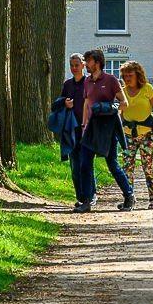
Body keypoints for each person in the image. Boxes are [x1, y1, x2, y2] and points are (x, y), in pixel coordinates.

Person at [72, 48, 134, 213]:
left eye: (88, 61)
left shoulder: (111, 80)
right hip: (91, 128)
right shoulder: (87, 81)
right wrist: (84, 125)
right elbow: (86, 104)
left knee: (112, 164)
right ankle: (87, 201)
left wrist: (108, 107)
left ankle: (129, 195)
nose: (86, 64)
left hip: (108, 128)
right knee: (85, 164)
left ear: (97, 62)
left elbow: (124, 103)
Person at [119, 60, 153, 209]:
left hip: (147, 134)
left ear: (138, 75)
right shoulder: (122, 92)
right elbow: (120, 113)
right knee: (127, 167)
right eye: (125, 76)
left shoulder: (147, 89)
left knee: (147, 166)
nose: (127, 78)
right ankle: (129, 199)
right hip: (128, 134)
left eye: (130, 75)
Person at [49, 54, 86, 204]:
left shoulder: (89, 83)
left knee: (86, 164)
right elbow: (55, 105)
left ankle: (90, 194)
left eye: (77, 65)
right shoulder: (68, 84)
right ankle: (80, 197)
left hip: (86, 129)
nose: (74, 68)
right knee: (75, 165)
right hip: (71, 129)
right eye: (72, 65)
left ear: (83, 65)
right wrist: (65, 102)